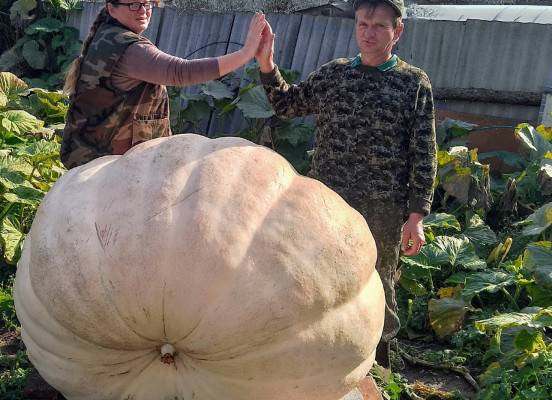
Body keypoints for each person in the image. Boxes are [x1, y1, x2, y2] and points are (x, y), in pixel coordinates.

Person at [255, 0, 437, 369]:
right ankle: (317, 356)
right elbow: (287, 105)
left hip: (382, 210)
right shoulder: (334, 74)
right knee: (315, 276)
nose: (369, 33)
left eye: (379, 26)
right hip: (326, 203)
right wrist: (267, 65)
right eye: (363, 24)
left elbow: (424, 152)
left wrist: (416, 215)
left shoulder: (412, 83)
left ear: (397, 31)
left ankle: (377, 367)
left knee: (379, 285)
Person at [61, 0, 267, 168]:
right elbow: (181, 72)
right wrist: (245, 53)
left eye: (147, 3)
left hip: (87, 153)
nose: (143, 10)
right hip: (109, 163)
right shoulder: (129, 48)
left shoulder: (108, 36)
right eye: (133, 4)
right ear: (111, 9)